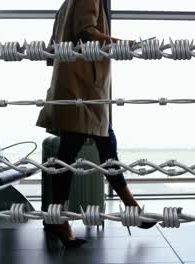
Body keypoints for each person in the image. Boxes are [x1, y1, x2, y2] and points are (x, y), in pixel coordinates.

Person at [36, 0, 155, 247]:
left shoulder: (66, 4)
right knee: (81, 151)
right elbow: (86, 32)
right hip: (84, 87)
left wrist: (65, 68)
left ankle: (59, 217)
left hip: (77, 84)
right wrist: (125, 45)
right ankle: (59, 218)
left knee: (84, 149)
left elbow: (53, 46)